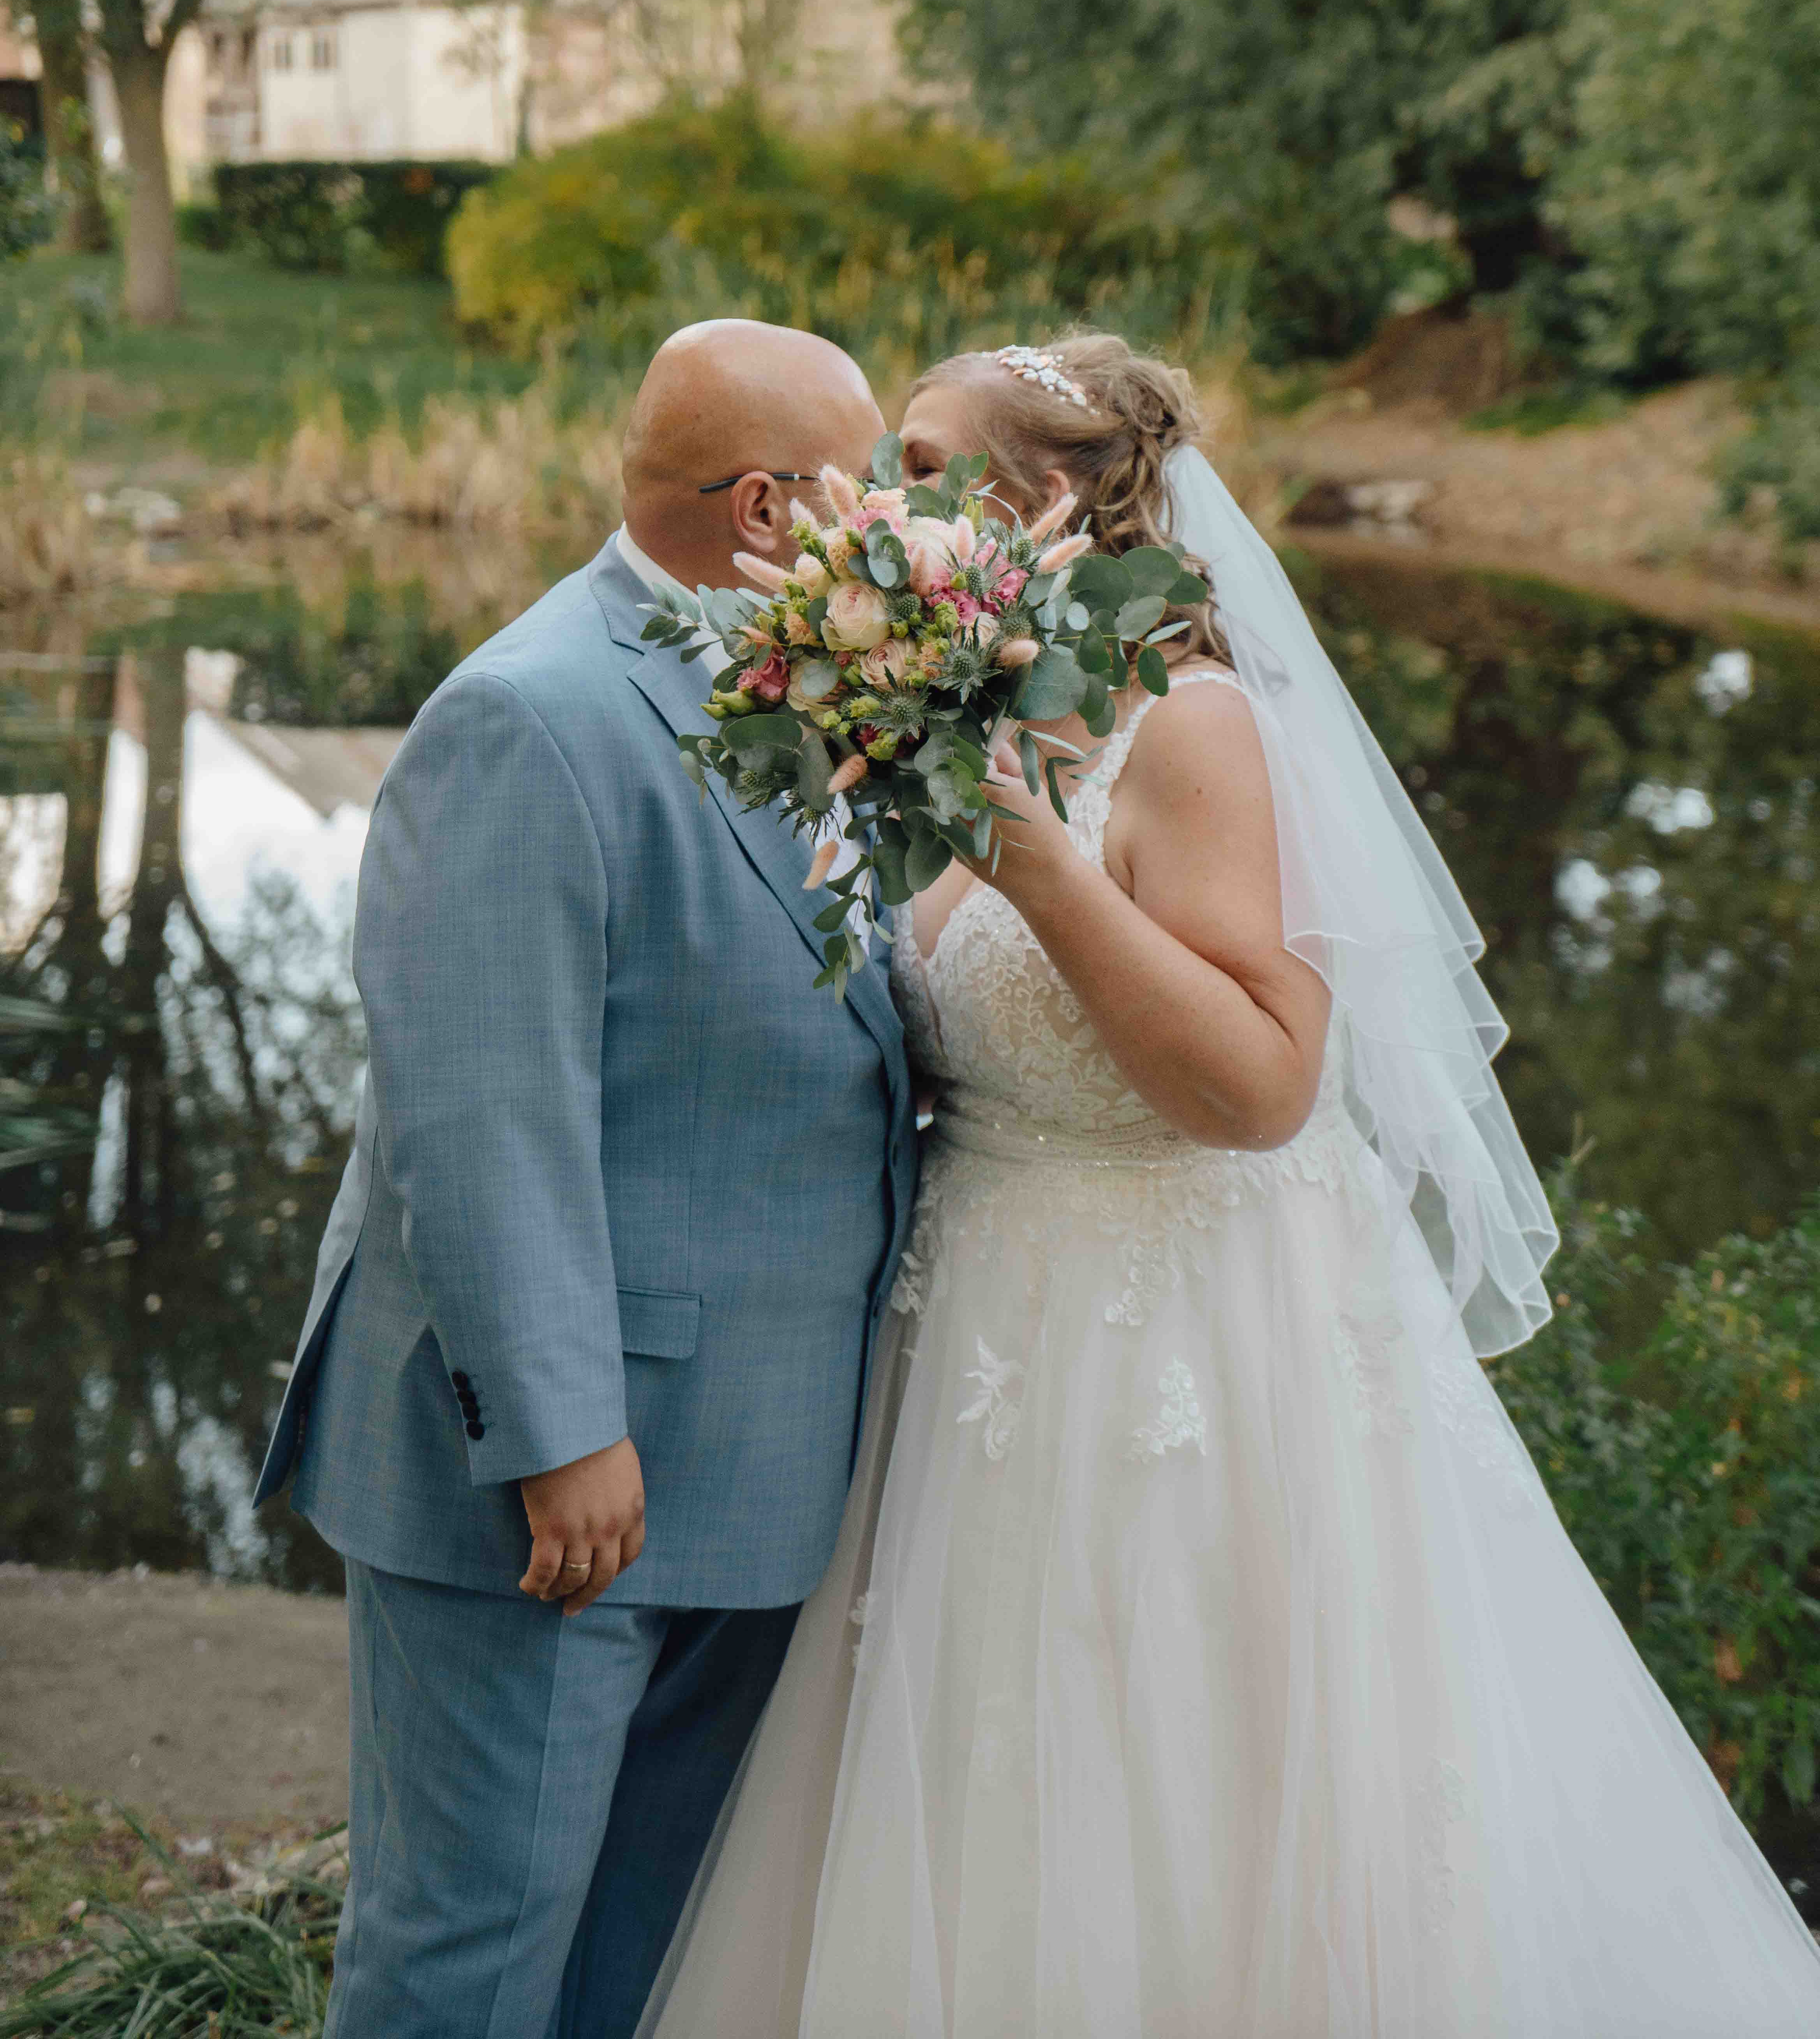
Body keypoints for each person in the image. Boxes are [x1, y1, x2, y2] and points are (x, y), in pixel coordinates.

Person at [633, 332, 1820, 2038]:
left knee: (1193, 1781)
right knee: (977, 1786)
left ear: (1038, 505)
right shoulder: (965, 717)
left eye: (913, 467)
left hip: (1189, 1338)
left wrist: (1036, 867)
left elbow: (1262, 1089)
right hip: (979, 1339)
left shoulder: (1192, 734)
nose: (876, 507)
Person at [254, 319, 917, 2039]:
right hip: (564, 1492)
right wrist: (561, 1437)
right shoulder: (528, 717)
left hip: (755, 1467)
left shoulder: (812, 680)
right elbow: (478, 1110)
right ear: (770, 505)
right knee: (472, 1958)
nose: (907, 530)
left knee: (642, 1953)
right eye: (878, 488)